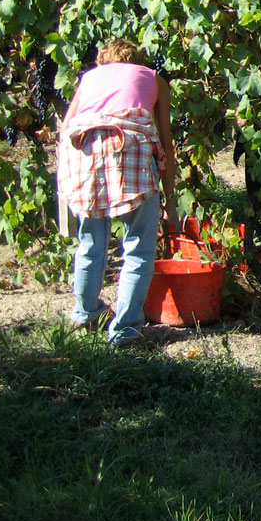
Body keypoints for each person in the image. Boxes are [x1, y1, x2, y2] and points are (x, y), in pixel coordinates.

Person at [57, 40, 178, 347]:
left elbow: (66, 129)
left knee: (90, 242)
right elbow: (166, 140)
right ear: (137, 60)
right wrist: (170, 199)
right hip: (131, 153)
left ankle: (86, 314)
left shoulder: (89, 78)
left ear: (103, 61)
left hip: (84, 155)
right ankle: (125, 332)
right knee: (138, 247)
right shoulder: (154, 78)